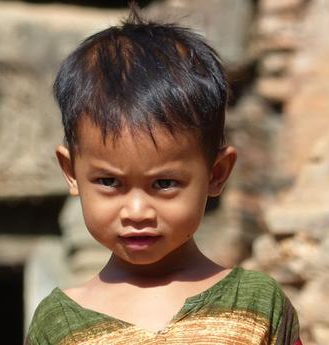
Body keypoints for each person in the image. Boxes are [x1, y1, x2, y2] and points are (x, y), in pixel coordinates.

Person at [25, 4, 302, 345]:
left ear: (217, 173)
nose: (137, 212)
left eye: (164, 184)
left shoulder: (256, 306)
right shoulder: (58, 325)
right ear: (71, 173)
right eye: (110, 182)